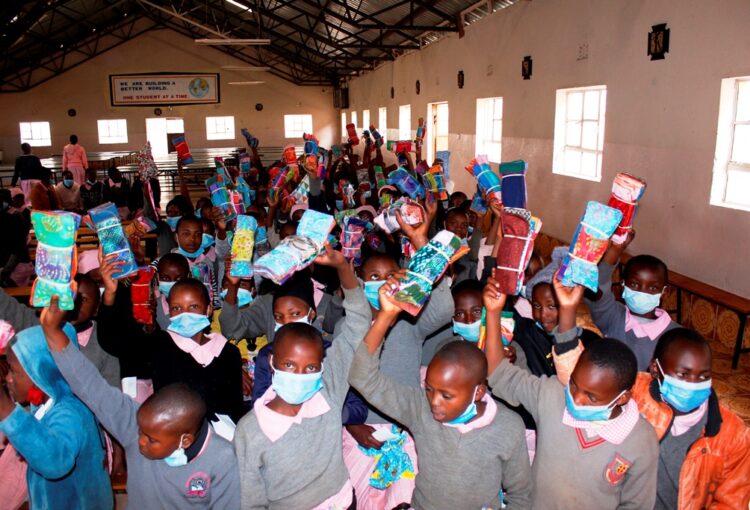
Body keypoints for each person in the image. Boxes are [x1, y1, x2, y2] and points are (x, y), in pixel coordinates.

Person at [348, 273, 533, 509]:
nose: (434, 402)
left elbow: (521, 496)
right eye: (429, 389)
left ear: (478, 392)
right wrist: (385, 316)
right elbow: (362, 378)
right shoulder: (420, 409)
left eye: (447, 396)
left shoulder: (508, 427)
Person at [39, 300, 241, 509]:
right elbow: (90, 385)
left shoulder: (222, 458)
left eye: (151, 439)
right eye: (141, 433)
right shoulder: (136, 426)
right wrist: (52, 330)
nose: (140, 442)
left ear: (185, 440)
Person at [484, 273, 659, 509]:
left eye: (592, 397)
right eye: (574, 384)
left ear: (622, 398)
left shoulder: (641, 439)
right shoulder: (553, 395)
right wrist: (493, 313)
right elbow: (498, 372)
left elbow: (636, 505)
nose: (575, 399)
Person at [552, 321, 750, 509]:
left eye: (704, 376)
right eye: (683, 374)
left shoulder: (734, 435)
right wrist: (567, 316)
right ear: (656, 369)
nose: (693, 383)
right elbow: (583, 381)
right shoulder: (635, 391)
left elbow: (732, 502)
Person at [233, 245, 371, 509]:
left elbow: (358, 325)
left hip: (342, 502)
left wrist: (344, 268)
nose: (299, 375)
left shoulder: (329, 395)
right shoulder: (250, 430)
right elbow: (251, 499)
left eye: (310, 368)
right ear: (271, 363)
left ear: (322, 366)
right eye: (288, 364)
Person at [97, 257, 244, 422]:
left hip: (218, 435)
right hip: (171, 432)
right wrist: (110, 294)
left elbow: (234, 407)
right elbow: (113, 342)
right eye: (177, 308)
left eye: (193, 306)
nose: (185, 313)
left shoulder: (227, 352)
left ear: (209, 309)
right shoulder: (159, 345)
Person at [0, 321, 112, 509]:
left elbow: (55, 462)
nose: (7, 379)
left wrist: (6, 410)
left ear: (40, 373)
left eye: (13, 371)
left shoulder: (70, 412)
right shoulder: (45, 406)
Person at [0, 274, 120, 388]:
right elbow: (9, 308)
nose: (74, 303)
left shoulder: (105, 339)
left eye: (83, 299)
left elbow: (112, 388)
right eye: (70, 295)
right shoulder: (40, 325)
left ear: (96, 308)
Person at [586, 232, 679, 370]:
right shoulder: (613, 316)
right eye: (635, 284)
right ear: (623, 284)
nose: (642, 292)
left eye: (653, 287)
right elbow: (596, 286)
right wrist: (616, 250)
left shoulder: (676, 336)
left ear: (664, 291)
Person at [0, 189, 31, 288]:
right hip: (9, 264)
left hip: (16, 266)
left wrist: (5, 271)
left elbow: (19, 248)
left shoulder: (15, 217)